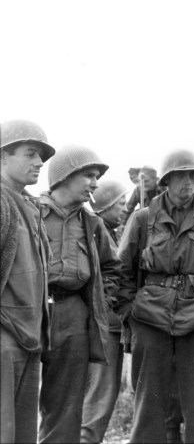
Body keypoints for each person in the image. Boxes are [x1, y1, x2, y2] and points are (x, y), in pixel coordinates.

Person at [114, 149, 194, 444]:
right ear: (167, 180)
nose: (188, 182)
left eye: (193, 175)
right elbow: (121, 269)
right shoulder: (143, 219)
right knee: (149, 404)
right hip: (150, 320)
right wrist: (131, 313)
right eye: (181, 176)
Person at [37, 145, 118, 444]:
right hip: (30, 311)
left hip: (73, 313)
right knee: (16, 394)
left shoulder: (92, 223)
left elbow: (112, 267)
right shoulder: (30, 212)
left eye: (96, 177)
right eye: (89, 175)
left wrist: (102, 300)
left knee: (66, 404)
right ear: (65, 176)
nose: (95, 183)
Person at [0, 120, 55, 444]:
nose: (38, 163)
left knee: (22, 434)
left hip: (29, 338)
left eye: (42, 157)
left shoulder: (30, 205)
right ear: (3, 157)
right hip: (5, 337)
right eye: (30, 154)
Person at [81, 179, 127, 444]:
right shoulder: (99, 230)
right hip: (104, 323)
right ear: (107, 204)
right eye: (119, 203)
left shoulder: (108, 230)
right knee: (101, 393)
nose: (123, 208)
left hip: (104, 321)